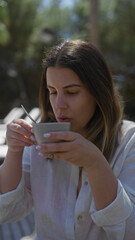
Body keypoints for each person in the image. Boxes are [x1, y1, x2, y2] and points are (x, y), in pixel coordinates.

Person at [0, 40, 135, 240]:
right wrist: (14, 150)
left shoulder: (129, 141)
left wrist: (95, 163)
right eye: (52, 92)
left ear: (98, 93)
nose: (59, 104)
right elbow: (6, 211)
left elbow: (129, 231)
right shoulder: (40, 139)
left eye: (71, 92)